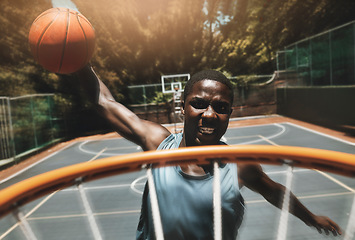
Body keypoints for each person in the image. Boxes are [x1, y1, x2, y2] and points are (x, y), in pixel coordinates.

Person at [77, 65, 342, 239]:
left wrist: (310, 218)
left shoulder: (239, 166)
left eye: (221, 107)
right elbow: (104, 102)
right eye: (199, 104)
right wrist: (79, 62)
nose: (209, 114)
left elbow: (274, 190)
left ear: (229, 113)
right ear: (183, 107)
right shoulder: (157, 143)